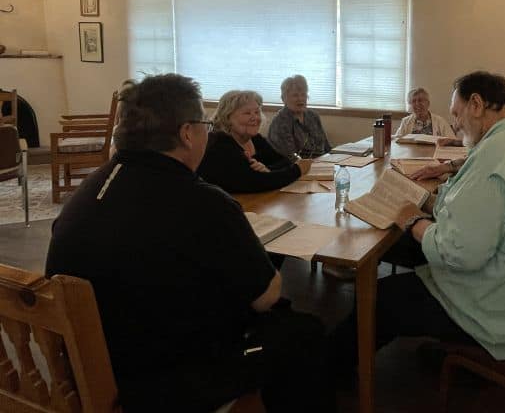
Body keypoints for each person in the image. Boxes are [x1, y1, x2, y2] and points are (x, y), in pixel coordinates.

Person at [45, 74, 335, 413]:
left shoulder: (88, 190)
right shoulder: (206, 202)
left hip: (89, 366)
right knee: (304, 333)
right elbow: (266, 296)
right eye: (205, 125)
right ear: (186, 133)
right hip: (165, 381)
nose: (207, 133)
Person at [334, 71, 505, 371]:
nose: (456, 124)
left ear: (476, 104)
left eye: (456, 114)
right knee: (396, 249)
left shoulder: (497, 156)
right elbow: (474, 205)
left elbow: (460, 253)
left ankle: (331, 370)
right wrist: (428, 203)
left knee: (384, 298)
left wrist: (414, 221)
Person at [410, 95, 505, 180]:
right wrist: (456, 142)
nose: (458, 125)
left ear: (478, 105)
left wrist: (445, 167)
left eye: (459, 114)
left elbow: (483, 158)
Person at [198, 90, 312, 193]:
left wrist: (267, 170)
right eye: (247, 113)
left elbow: (284, 162)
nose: (255, 118)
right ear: (227, 118)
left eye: (257, 112)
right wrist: (298, 170)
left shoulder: (255, 139)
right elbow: (253, 182)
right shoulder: (219, 144)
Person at [267, 75, 331, 159]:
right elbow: (290, 157)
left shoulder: (313, 116)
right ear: (284, 99)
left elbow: (326, 147)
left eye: (303, 94)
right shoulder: (280, 122)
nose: (300, 99)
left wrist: (333, 160)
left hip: (322, 164)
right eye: (295, 95)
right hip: (298, 168)